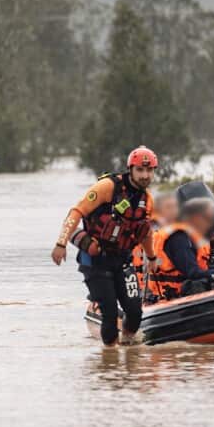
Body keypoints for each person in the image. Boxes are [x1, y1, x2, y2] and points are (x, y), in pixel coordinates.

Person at [52, 146, 159, 346]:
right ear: (130, 169)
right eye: (140, 170)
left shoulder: (147, 200)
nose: (145, 175)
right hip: (96, 260)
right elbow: (76, 212)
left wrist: (152, 258)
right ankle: (109, 362)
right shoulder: (107, 187)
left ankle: (129, 352)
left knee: (135, 312)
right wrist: (61, 243)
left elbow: (144, 232)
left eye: (150, 170)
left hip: (122, 260)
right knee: (109, 312)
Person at [150, 198, 214, 300]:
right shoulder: (178, 239)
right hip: (172, 297)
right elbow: (193, 273)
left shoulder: (191, 238)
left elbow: (202, 268)